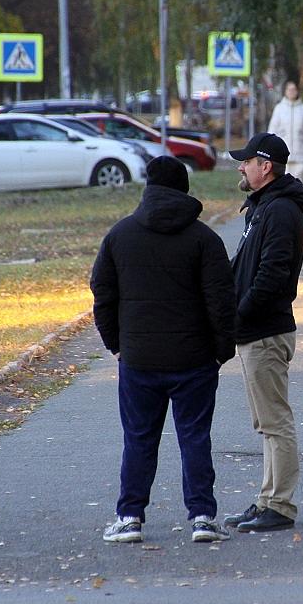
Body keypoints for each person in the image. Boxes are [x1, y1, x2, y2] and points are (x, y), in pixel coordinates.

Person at [91, 156, 236, 545]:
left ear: (148, 187)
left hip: (138, 359)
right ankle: (203, 517)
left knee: (139, 439)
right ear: (184, 189)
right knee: (195, 438)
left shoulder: (120, 235)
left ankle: (129, 517)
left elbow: (102, 293)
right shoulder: (204, 239)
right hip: (195, 359)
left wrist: (116, 345)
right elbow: (222, 300)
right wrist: (222, 351)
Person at [226, 132, 303, 533]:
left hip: (264, 331)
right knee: (266, 423)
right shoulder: (263, 207)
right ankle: (266, 499)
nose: (241, 167)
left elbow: (272, 276)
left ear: (266, 167)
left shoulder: (279, 211)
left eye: (246, 161)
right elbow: (246, 267)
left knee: (275, 422)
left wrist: (241, 314)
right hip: (254, 330)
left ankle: (280, 505)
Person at [268, 80, 303, 165]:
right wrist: (269, 148)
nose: (291, 92)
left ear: (297, 91)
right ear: (285, 91)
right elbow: (272, 130)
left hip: (300, 157)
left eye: (294, 89)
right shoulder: (279, 109)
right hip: (283, 156)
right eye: (289, 89)